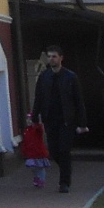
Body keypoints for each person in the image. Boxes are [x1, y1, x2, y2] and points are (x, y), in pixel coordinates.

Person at [30, 46, 87, 194]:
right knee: (54, 151)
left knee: (64, 150)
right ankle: (66, 169)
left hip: (67, 121)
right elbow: (38, 98)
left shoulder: (70, 77)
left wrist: (82, 123)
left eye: (54, 56)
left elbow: (78, 101)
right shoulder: (44, 77)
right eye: (49, 56)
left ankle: (64, 183)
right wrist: (34, 117)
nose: (51, 59)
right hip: (50, 120)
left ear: (61, 58)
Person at [20, 122, 50, 189]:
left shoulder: (36, 129)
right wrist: (24, 150)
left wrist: (38, 125)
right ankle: (37, 177)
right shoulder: (27, 130)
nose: (28, 122)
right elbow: (25, 141)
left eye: (30, 120)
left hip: (39, 153)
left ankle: (41, 180)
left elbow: (40, 131)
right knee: (33, 167)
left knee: (40, 167)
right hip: (31, 153)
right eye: (27, 120)